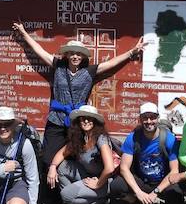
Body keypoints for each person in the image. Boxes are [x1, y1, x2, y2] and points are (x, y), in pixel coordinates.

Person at [11, 22, 145, 183]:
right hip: (56, 120)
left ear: (82, 56)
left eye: (79, 54)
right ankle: (49, 196)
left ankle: (70, 193)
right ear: (67, 55)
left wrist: (131, 52)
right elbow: (40, 51)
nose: (75, 56)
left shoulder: (89, 72)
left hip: (78, 121)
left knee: (74, 158)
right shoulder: (58, 66)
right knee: (48, 159)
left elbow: (111, 64)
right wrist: (24, 34)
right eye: (72, 53)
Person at [109, 102, 180, 204]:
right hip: (142, 181)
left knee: (177, 192)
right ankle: (138, 203)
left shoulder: (168, 138)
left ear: (158, 118)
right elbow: (124, 168)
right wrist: (138, 193)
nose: (149, 121)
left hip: (162, 181)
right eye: (145, 117)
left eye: (152, 117)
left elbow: (174, 171)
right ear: (140, 119)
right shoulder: (133, 138)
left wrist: (155, 193)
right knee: (116, 186)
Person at [47, 105, 115, 204]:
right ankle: (73, 203)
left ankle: (100, 203)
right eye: (83, 118)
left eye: (90, 118)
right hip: (86, 175)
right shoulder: (80, 137)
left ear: (95, 121)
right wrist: (52, 167)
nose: (86, 121)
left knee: (65, 194)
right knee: (61, 167)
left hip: (102, 181)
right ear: (79, 121)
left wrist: (97, 184)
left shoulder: (101, 138)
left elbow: (110, 168)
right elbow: (62, 153)